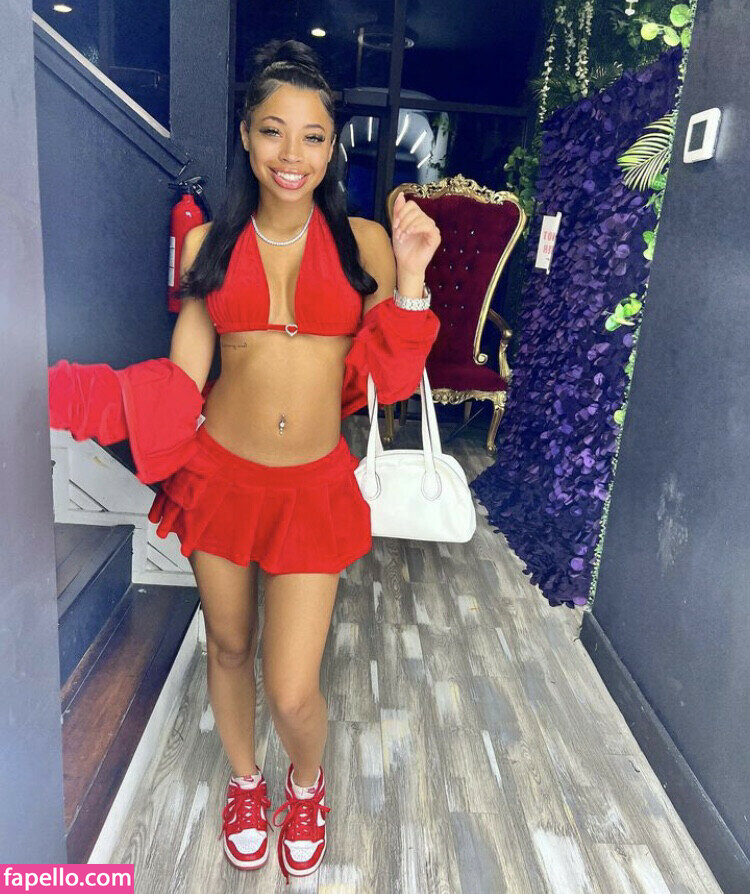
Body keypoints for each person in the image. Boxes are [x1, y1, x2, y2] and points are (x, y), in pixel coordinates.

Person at [47, 39, 441, 884]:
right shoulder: (209, 247)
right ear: (246, 134)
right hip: (220, 478)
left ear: (332, 146)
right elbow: (177, 387)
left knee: (292, 687)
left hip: (312, 488)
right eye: (273, 131)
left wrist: (411, 280)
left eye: (312, 136)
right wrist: (49, 394)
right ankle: (245, 782)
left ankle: (306, 784)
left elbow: (388, 380)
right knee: (227, 648)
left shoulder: (366, 243)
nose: (291, 154)